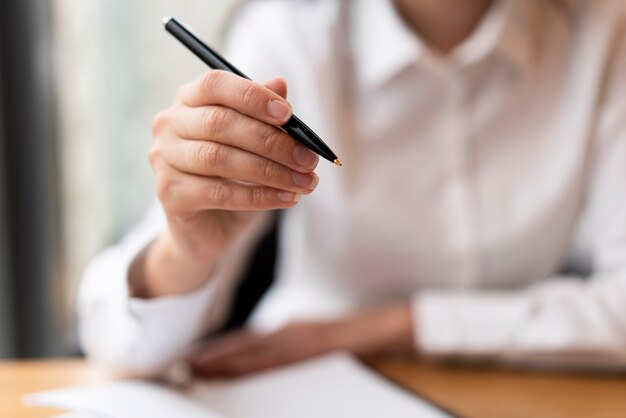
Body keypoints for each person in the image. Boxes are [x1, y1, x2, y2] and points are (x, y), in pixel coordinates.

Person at [78, 0, 626, 377]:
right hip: (303, 383)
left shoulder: (605, 31)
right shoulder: (287, 32)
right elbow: (117, 350)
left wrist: (392, 328)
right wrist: (186, 249)